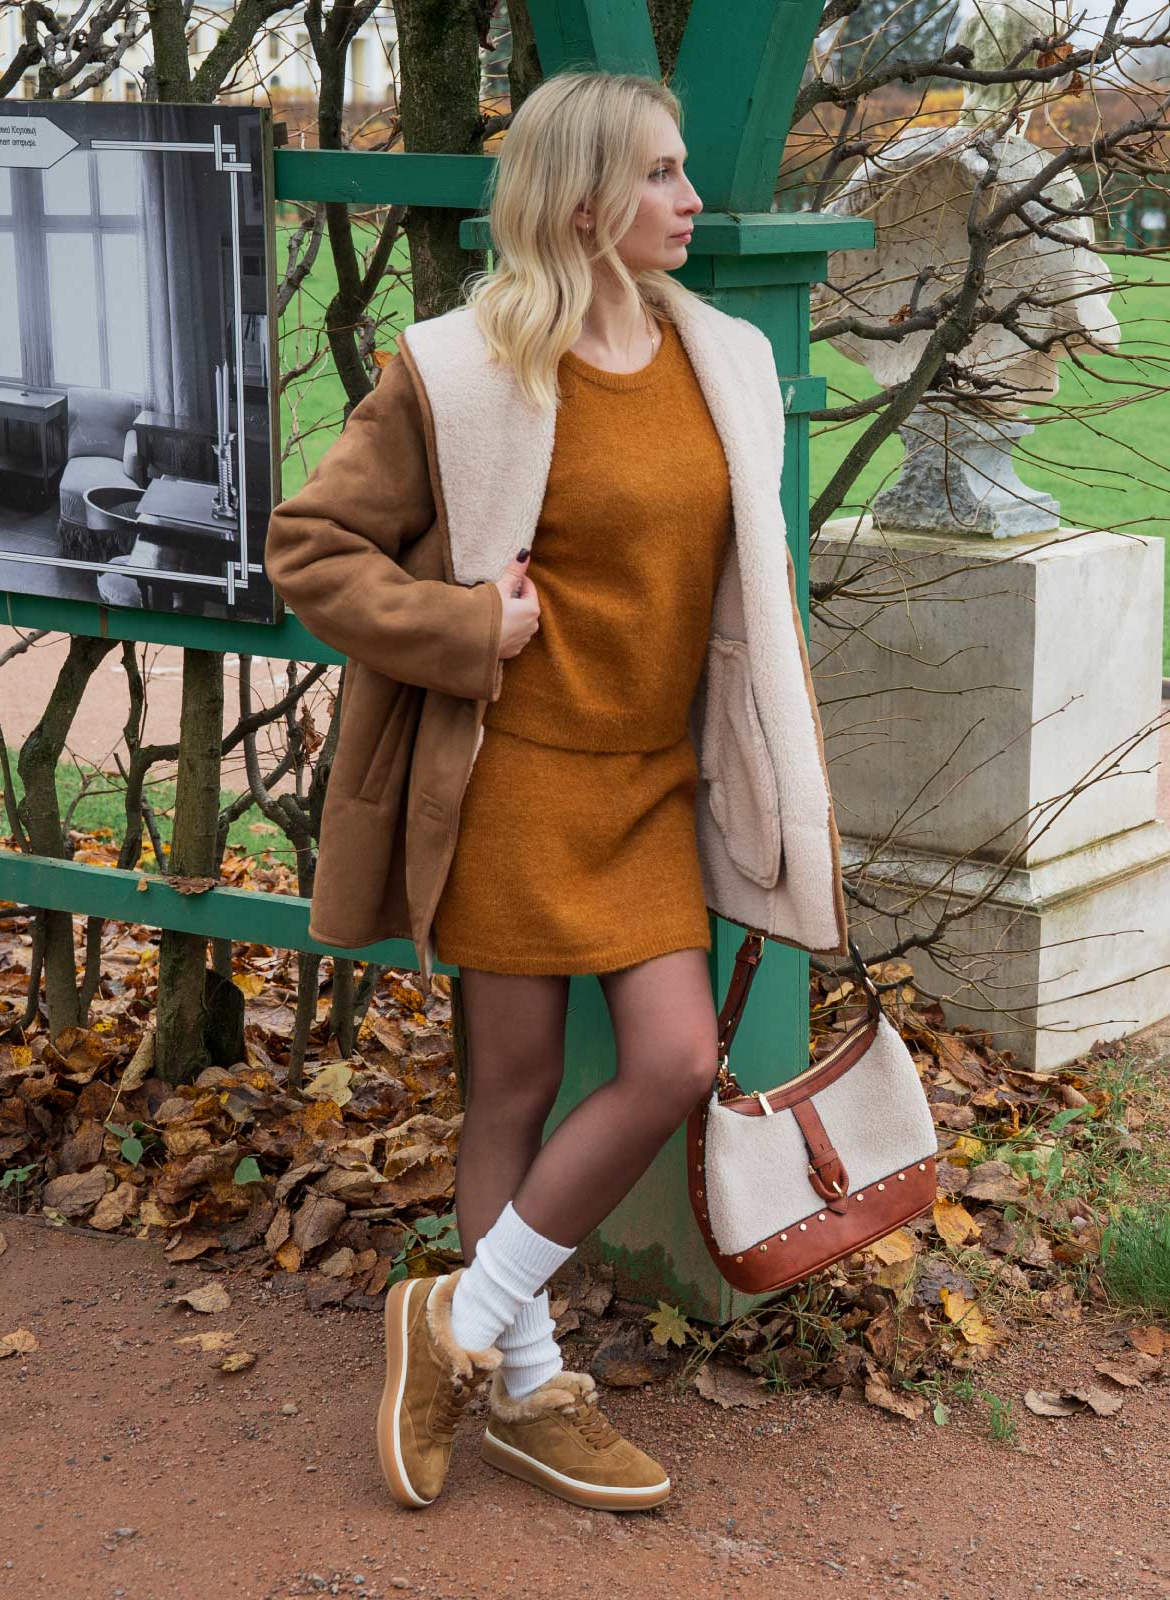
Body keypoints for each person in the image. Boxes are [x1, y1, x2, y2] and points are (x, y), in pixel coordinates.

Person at [264, 68, 848, 1516]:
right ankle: (525, 1388)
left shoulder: (719, 358)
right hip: (514, 775)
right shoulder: (459, 373)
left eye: (683, 170)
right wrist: (473, 627)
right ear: (582, 199)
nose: (691, 200)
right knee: (515, 1088)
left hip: (652, 782)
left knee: (672, 1063)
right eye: (659, 174)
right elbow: (312, 549)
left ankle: (457, 1319)